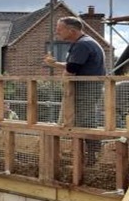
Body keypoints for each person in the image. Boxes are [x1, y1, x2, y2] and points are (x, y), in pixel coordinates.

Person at [43, 16, 106, 164]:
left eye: (59, 29)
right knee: (78, 120)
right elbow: (73, 65)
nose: (57, 32)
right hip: (84, 88)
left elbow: (72, 69)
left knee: (84, 121)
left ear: (71, 30)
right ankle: (84, 156)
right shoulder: (82, 43)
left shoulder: (83, 45)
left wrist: (64, 75)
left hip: (85, 89)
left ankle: (92, 157)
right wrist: (55, 64)